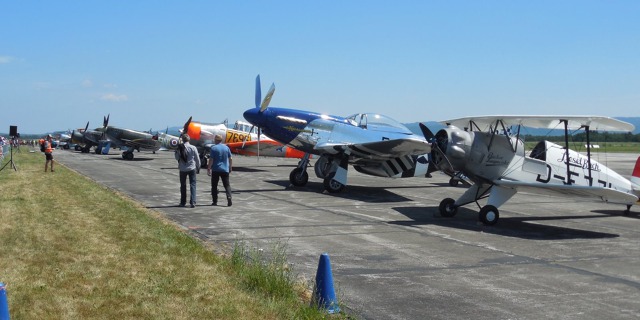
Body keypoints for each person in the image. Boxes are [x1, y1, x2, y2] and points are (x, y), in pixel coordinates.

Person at [175, 134, 200, 208]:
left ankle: (183, 202)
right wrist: (198, 167)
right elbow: (197, 159)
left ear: (182, 140)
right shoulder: (193, 147)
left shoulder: (180, 148)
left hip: (182, 168)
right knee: (193, 184)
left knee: (183, 185)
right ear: (189, 140)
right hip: (191, 168)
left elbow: (177, 158)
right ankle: (193, 202)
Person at [208, 134, 233, 206]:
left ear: (216, 140)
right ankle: (229, 196)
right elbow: (230, 158)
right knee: (227, 185)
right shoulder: (226, 148)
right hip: (225, 169)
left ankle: (215, 201)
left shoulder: (213, 148)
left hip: (216, 169)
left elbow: (211, 160)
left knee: (214, 185)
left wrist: (209, 168)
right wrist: (230, 167)